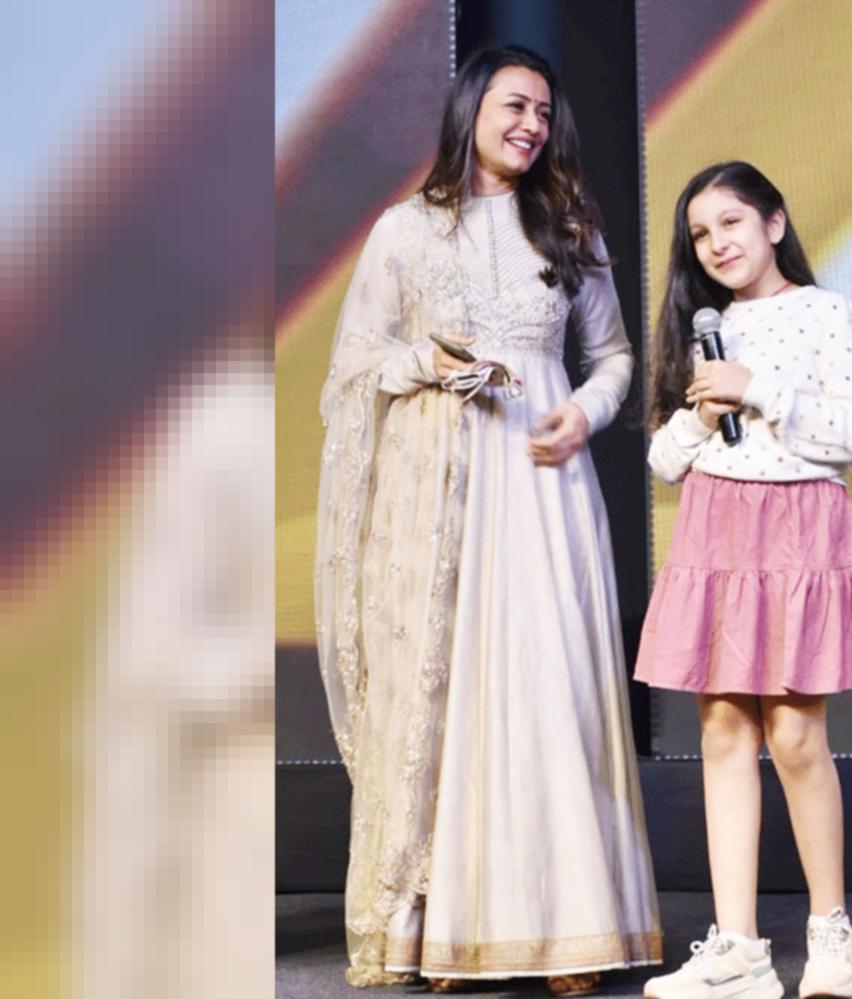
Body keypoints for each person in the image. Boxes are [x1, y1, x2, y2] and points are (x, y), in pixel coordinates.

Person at [314, 45, 661, 993]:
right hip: (439, 495)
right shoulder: (403, 233)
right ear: (471, 109)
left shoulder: (570, 226)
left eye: (545, 112)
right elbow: (349, 373)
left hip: (544, 484)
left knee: (550, 683)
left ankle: (571, 930)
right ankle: (447, 932)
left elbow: (615, 357)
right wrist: (425, 363)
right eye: (516, 105)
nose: (533, 125)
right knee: (453, 692)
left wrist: (583, 412)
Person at [634, 162, 852, 999]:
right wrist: (701, 412)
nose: (716, 244)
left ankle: (830, 934)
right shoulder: (699, 330)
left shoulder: (825, 311)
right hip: (715, 523)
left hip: (797, 525)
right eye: (700, 234)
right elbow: (663, 459)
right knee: (722, 731)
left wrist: (758, 387)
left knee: (793, 733)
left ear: (774, 224)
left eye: (731, 222)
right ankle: (739, 950)